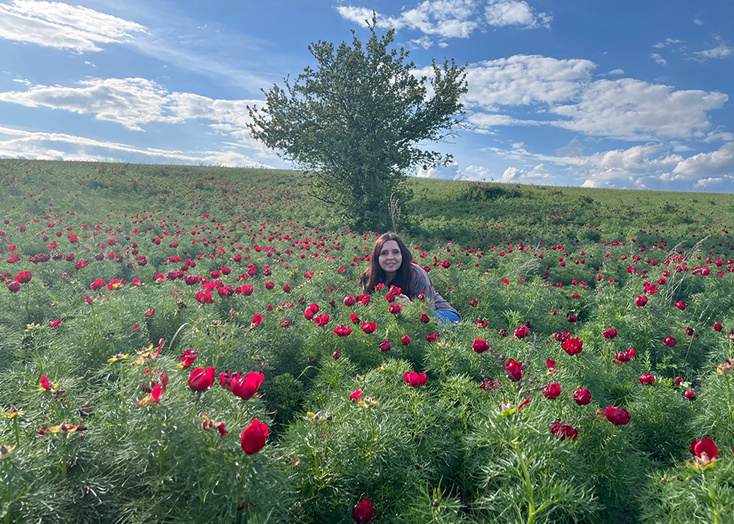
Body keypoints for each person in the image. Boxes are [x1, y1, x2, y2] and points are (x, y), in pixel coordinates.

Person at [360, 232, 461, 324]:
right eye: (384, 253)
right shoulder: (369, 277)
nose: (390, 257)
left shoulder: (418, 275)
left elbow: (428, 313)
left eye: (395, 252)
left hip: (440, 314)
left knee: (428, 326)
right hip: (405, 319)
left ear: (402, 255)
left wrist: (411, 307)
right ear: (376, 258)